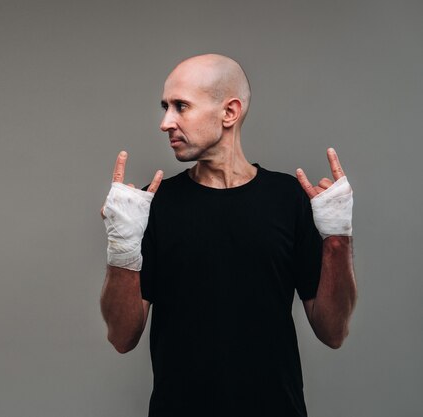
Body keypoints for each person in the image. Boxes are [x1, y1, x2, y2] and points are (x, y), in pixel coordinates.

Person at [99, 54, 357, 417]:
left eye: (180, 106)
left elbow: (333, 331)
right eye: (165, 107)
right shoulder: (151, 206)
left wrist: (337, 237)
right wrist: (121, 246)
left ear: (229, 113)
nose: (165, 122)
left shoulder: (289, 199)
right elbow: (122, 337)